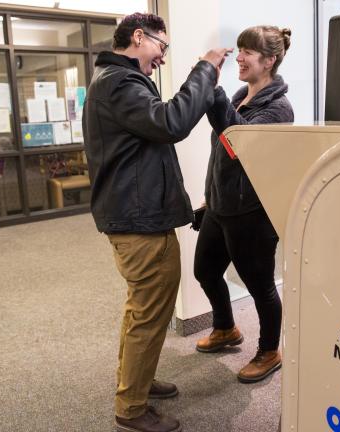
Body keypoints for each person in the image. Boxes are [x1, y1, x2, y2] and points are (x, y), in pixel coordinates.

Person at [82, 12, 231, 432]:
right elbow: (171, 122)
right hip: (139, 223)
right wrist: (204, 70)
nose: (162, 57)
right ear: (137, 37)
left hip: (134, 215)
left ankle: (138, 384)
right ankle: (131, 409)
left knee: (141, 311)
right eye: (161, 47)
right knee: (148, 316)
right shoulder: (119, 83)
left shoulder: (113, 82)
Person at [194, 26, 294, 383]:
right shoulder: (241, 96)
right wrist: (209, 197)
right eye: (238, 49)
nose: (239, 57)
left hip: (251, 214)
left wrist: (213, 90)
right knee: (205, 271)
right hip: (221, 207)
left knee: (261, 288)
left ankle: (269, 350)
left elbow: (238, 148)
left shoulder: (279, 110)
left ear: (269, 60)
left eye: (248, 51)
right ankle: (226, 328)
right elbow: (219, 154)